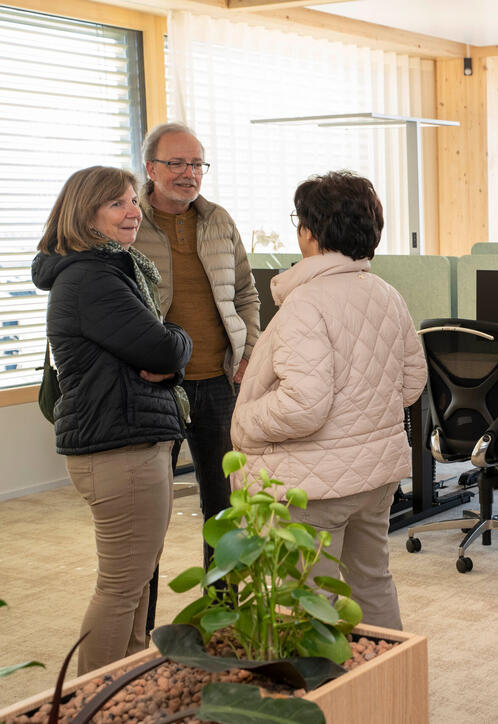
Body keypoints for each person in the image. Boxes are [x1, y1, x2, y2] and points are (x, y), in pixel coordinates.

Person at [231, 171, 425, 630]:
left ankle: (319, 696)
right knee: (372, 582)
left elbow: (304, 406)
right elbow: (413, 380)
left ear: (311, 232)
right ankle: (386, 688)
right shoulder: (386, 293)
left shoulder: (306, 303)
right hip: (374, 477)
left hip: (312, 486)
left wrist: (245, 420)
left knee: (305, 599)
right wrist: (364, 416)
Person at [31, 166, 192, 674]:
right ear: (86, 214)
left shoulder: (105, 270)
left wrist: (170, 352)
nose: (133, 211)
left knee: (136, 579)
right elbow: (163, 346)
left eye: (131, 201)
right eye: (117, 204)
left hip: (127, 439)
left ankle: (127, 685)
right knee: (122, 586)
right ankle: (91, 701)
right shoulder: (93, 277)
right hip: (119, 447)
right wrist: (178, 347)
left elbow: (160, 348)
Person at [133, 123, 260, 568]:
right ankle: (139, 625)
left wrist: (248, 351)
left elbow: (246, 293)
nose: (189, 173)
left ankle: (223, 618)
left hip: (220, 383)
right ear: (150, 168)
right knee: (148, 515)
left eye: (197, 164)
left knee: (224, 509)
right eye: (177, 163)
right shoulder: (130, 223)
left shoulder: (218, 219)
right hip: (156, 388)